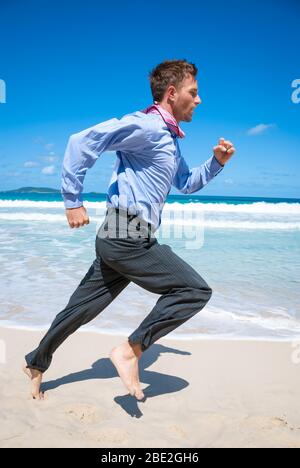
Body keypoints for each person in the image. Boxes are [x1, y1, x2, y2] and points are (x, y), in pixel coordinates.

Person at [23, 59, 235, 400]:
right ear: (171, 93)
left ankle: (36, 362)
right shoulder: (147, 126)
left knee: (79, 309)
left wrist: (216, 164)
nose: (199, 100)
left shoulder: (169, 139)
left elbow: (186, 182)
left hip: (123, 236)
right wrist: (72, 200)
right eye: (193, 93)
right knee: (193, 290)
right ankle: (130, 350)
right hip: (125, 234)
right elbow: (82, 142)